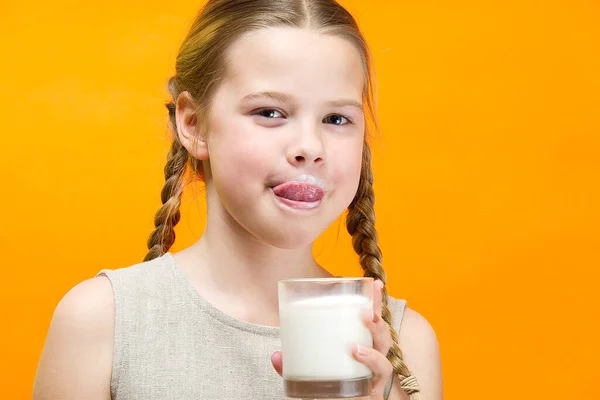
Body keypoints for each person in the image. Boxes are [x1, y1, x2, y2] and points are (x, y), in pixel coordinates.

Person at [33, 1, 443, 399]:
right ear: (193, 125)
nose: (309, 146)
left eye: (336, 119)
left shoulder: (404, 347)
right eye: (269, 112)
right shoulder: (101, 322)